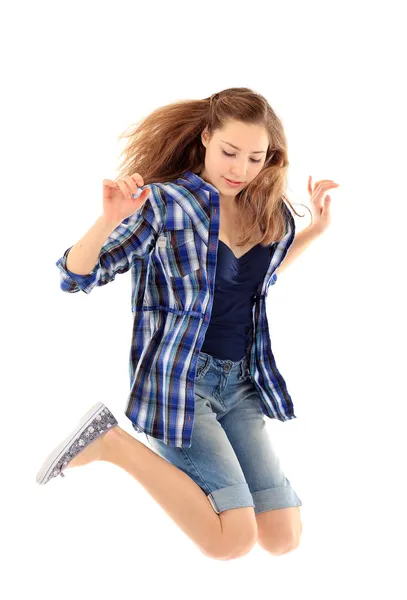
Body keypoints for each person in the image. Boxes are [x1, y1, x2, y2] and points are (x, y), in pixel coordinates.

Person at [36, 87, 339, 560]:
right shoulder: (164, 204)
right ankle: (112, 442)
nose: (240, 169)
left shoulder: (271, 212)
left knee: (282, 536)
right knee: (232, 540)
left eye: (255, 157)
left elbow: (256, 281)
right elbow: (76, 276)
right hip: (180, 384)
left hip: (242, 383)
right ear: (205, 138)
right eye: (229, 152)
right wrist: (108, 220)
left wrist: (316, 231)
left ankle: (124, 446)